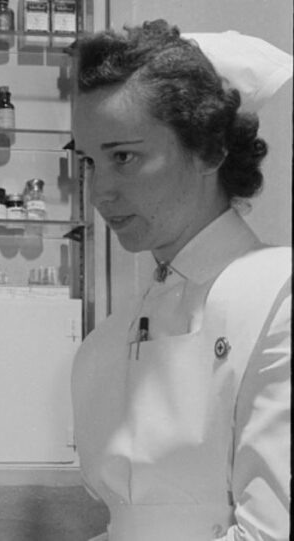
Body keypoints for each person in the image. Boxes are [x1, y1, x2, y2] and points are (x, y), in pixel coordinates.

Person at [69, 20, 291, 541]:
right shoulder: (104, 344)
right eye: (88, 161)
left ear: (210, 151)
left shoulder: (279, 297)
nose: (100, 192)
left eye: (123, 157)